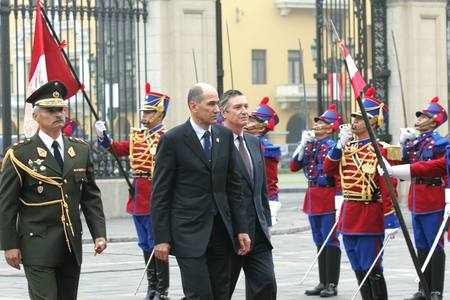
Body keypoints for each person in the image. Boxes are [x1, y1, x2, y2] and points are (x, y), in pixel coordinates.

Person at [0, 80, 107, 300]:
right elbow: (7, 205)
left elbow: (90, 197)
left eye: (61, 109)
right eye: (51, 110)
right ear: (36, 116)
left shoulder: (80, 150)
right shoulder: (20, 154)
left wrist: (99, 234)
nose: (58, 114)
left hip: (70, 246)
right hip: (36, 246)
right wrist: (9, 246)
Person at [151, 82, 251, 300]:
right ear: (193, 106)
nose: (217, 109)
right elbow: (160, 194)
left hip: (221, 232)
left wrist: (241, 228)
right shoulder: (173, 140)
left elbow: (233, 187)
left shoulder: (223, 136)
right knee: (199, 294)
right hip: (188, 233)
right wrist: (161, 239)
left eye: (217, 103)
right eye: (212, 104)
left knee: (220, 294)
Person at [323, 87, 400, 300]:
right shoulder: (347, 147)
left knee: (372, 267)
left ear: (373, 122)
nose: (354, 122)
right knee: (357, 266)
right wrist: (339, 144)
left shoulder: (381, 149)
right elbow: (328, 170)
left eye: (359, 118)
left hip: (369, 215)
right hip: (349, 214)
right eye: (354, 118)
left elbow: (388, 185)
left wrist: (390, 217)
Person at [95, 83, 170, 300]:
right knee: (145, 243)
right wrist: (104, 137)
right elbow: (118, 149)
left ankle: (162, 290)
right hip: (138, 197)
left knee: (158, 244)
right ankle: (152, 287)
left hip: (156, 195)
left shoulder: (167, 137)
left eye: (148, 112)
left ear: (159, 114)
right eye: (144, 112)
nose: (144, 116)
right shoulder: (138, 137)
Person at [219, 89, 276, 300]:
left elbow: (260, 189)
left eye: (245, 106)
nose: (244, 112)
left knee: (266, 284)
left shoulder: (254, 142)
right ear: (223, 113)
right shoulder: (215, 142)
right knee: (221, 290)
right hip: (228, 233)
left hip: (258, 232)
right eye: (237, 107)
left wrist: (266, 223)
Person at [395, 97, 448, 300]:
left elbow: (444, 170)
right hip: (416, 198)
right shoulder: (414, 143)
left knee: (435, 245)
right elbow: (402, 169)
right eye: (419, 116)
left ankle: (436, 290)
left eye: (424, 116)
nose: (418, 119)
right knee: (421, 246)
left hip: (432, 199)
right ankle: (423, 287)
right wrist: (402, 145)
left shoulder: (440, 143)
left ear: (434, 121)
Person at [290, 104, 343, 297]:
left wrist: (339, 198)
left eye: (322, 122)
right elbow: (294, 166)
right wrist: (302, 145)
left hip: (328, 196)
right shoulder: (311, 145)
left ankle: (332, 283)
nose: (317, 124)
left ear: (330, 128)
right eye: (318, 121)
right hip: (313, 197)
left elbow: (337, 175)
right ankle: (322, 281)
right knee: (319, 241)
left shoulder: (333, 147)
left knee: (331, 241)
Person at [245, 97, 281, 225]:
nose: (246, 123)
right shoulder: (242, 140)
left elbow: (270, 180)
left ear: (261, 126)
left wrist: (272, 201)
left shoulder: (266, 148)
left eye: (252, 121)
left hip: (259, 201)